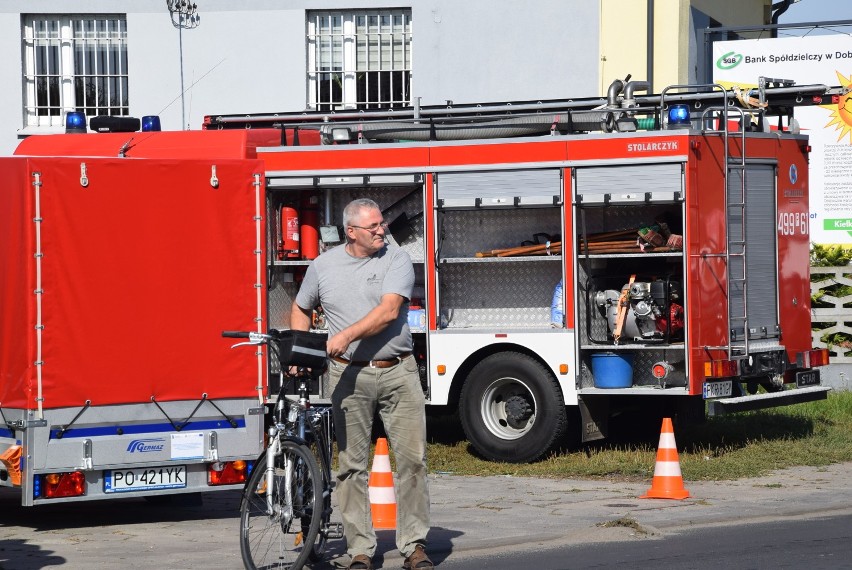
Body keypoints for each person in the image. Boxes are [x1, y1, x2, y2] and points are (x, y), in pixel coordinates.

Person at [290, 198, 433, 570]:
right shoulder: (323, 266)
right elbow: (302, 308)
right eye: (373, 227)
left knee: (412, 462)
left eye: (382, 224)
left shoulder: (396, 258)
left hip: (397, 371)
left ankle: (413, 546)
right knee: (350, 466)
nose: (382, 230)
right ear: (351, 232)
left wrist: (345, 335)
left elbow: (388, 311)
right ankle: (360, 550)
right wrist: (300, 351)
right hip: (346, 374)